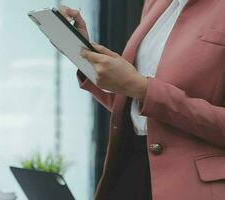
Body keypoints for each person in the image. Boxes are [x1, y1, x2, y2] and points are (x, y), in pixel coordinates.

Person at [60, 0, 225, 200]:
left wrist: (142, 89)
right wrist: (82, 53)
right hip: (130, 167)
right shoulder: (157, 3)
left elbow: (143, 92)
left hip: (193, 186)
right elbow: (137, 107)